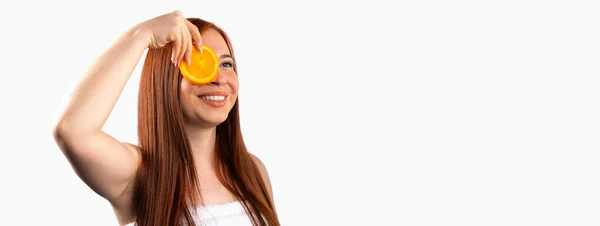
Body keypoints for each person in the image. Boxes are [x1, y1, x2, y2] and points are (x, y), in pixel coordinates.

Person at [52, 10, 280, 226]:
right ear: (164, 79)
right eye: (199, 64)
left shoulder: (252, 170)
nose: (219, 78)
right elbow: (72, 131)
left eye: (227, 64)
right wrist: (142, 34)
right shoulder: (136, 174)